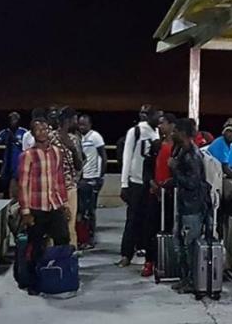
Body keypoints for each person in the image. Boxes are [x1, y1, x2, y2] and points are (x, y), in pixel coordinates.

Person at [17, 119, 70, 296]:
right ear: (32, 134)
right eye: (38, 130)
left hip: (55, 205)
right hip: (36, 207)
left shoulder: (57, 152)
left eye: (44, 129)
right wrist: (25, 212)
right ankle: (34, 282)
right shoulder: (27, 156)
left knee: (63, 240)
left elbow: (60, 180)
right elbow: (23, 185)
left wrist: (64, 204)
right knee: (36, 247)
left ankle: (61, 277)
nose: (42, 132)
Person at [116, 106, 162, 268]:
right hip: (135, 182)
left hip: (151, 183)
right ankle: (126, 254)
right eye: (158, 116)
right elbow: (127, 157)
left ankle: (145, 251)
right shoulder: (135, 132)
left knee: (149, 221)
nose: (160, 119)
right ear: (150, 117)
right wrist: (124, 183)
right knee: (132, 220)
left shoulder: (157, 133)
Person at [170, 118, 207, 294]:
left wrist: (175, 169)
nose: (172, 134)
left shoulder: (192, 154)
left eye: (175, 131)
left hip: (192, 207)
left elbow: (192, 182)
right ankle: (185, 279)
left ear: (182, 133)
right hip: (184, 205)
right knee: (181, 244)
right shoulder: (183, 151)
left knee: (191, 246)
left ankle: (193, 281)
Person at [142, 113, 177, 277]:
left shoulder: (178, 147)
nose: (159, 126)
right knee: (150, 228)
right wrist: (151, 183)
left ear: (171, 125)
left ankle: (167, 263)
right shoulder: (156, 145)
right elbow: (147, 168)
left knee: (169, 227)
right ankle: (149, 261)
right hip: (155, 193)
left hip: (172, 195)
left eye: (163, 123)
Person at [49, 107, 83, 248]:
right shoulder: (50, 137)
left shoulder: (74, 139)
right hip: (53, 188)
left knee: (71, 224)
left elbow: (79, 165)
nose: (77, 122)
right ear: (68, 121)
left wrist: (73, 149)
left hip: (70, 188)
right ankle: (52, 259)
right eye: (75, 119)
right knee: (53, 225)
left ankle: (70, 258)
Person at [207, 120, 232, 238]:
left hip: (222, 176)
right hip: (213, 178)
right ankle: (220, 227)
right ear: (224, 133)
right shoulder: (220, 143)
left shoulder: (231, 146)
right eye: (228, 132)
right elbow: (225, 167)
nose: (230, 134)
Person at [76, 114, 107, 249]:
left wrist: (100, 176)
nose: (82, 127)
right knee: (81, 210)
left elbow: (103, 156)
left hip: (93, 178)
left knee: (90, 210)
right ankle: (82, 237)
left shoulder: (95, 137)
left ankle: (90, 238)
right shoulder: (78, 137)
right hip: (82, 178)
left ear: (90, 125)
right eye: (80, 124)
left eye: (84, 124)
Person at [0, 112, 27, 200]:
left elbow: (27, 145)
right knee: (4, 180)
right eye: (11, 119)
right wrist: (5, 139)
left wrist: (16, 141)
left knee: (19, 182)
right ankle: (5, 198)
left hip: (19, 161)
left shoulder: (23, 132)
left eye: (15, 119)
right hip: (7, 161)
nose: (13, 121)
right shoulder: (5, 132)